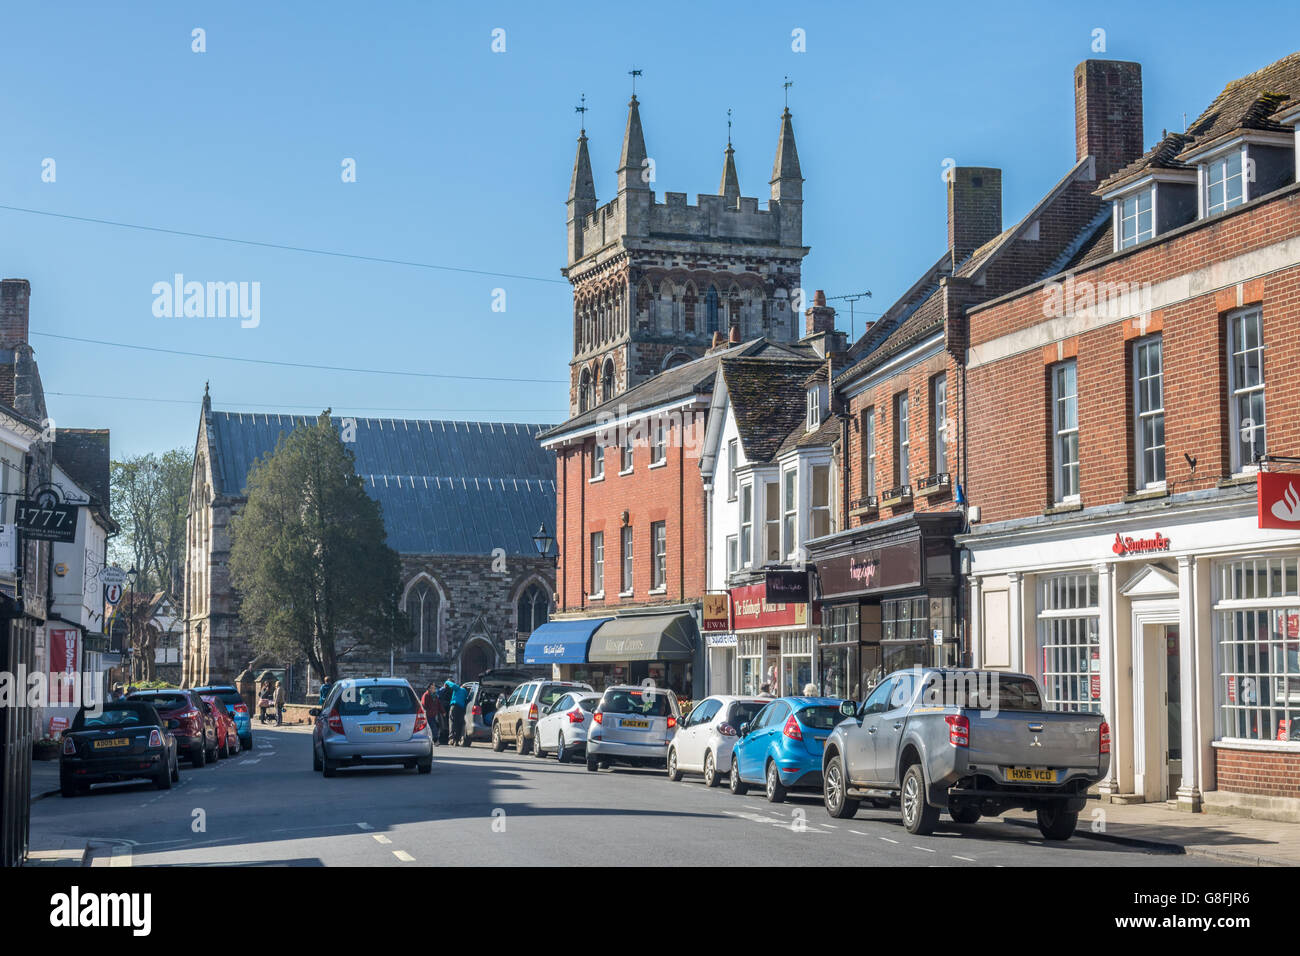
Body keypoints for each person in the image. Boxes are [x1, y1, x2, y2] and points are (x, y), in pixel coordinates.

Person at [444, 679, 468, 745]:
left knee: (452, 721)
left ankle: (451, 738)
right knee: (459, 724)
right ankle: (456, 740)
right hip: (462, 709)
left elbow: (452, 685)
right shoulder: (466, 693)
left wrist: (447, 681)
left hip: (454, 707)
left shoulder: (458, 689)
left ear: (461, 686)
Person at [419, 682, 443, 746]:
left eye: (434, 687)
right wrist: (426, 712)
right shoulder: (426, 695)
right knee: (433, 728)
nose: (434, 688)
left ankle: (433, 740)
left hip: (433, 715)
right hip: (428, 715)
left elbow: (439, 704)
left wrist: (443, 711)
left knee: (435, 727)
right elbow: (423, 705)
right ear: (429, 688)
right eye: (433, 687)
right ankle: (435, 741)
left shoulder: (435, 695)